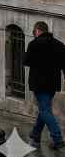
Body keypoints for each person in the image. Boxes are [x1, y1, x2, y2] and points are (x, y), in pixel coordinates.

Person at [25, 21, 65, 149]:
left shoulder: (34, 44)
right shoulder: (59, 45)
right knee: (44, 108)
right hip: (53, 84)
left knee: (44, 110)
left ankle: (57, 137)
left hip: (39, 83)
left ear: (37, 30)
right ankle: (35, 136)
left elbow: (26, 61)